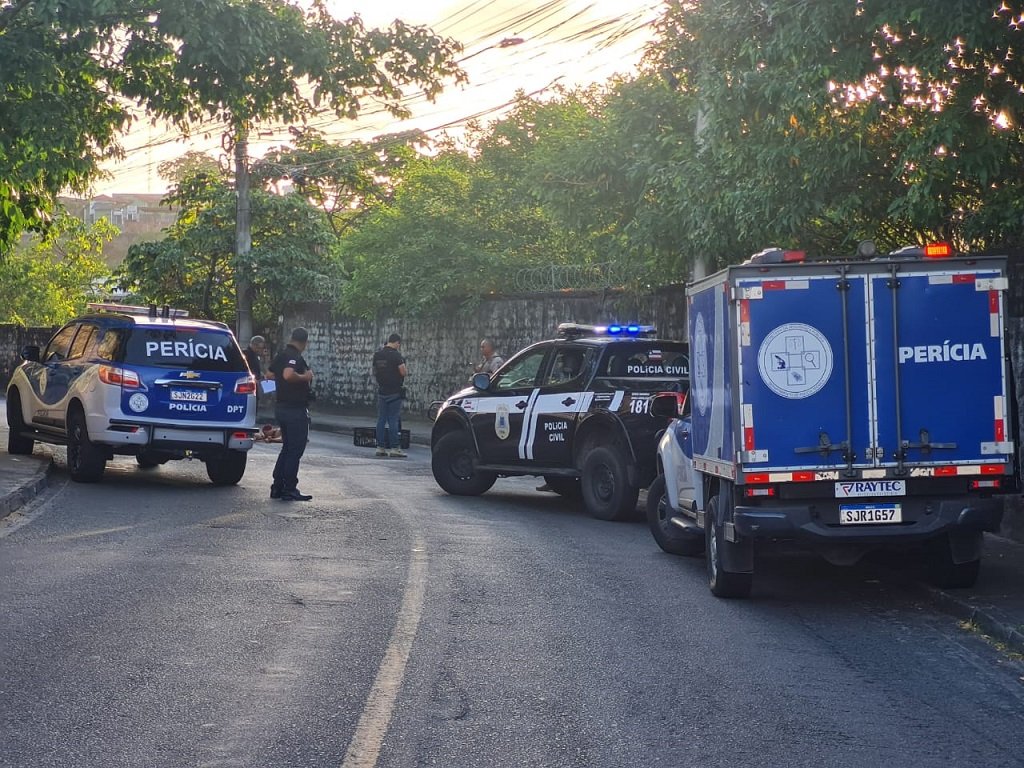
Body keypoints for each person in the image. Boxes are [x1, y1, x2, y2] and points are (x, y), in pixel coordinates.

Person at [268, 327, 314, 501]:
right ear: (304, 342)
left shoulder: (281, 354)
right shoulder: (294, 357)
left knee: (287, 448)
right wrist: (305, 377)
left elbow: (269, 374)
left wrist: (279, 391)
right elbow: (288, 375)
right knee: (295, 450)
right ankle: (289, 489)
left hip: (281, 407)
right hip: (295, 409)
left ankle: (277, 487)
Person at [372, 332, 408, 458]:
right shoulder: (396, 355)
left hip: (382, 390)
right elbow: (403, 372)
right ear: (397, 342)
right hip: (394, 392)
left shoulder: (378, 355)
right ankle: (394, 448)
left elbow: (375, 371)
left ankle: (380, 447)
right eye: (399, 344)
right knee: (393, 419)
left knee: (381, 419)